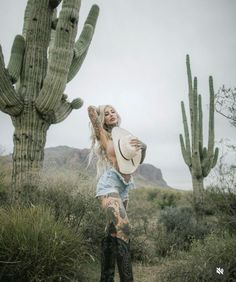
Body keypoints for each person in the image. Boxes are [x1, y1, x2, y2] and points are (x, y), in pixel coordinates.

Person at [88, 104, 147, 282]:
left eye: (113, 111)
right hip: (109, 185)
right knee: (124, 228)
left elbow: (137, 161)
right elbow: (93, 118)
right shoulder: (104, 136)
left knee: (113, 233)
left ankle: (106, 279)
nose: (111, 115)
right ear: (102, 118)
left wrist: (144, 147)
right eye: (107, 114)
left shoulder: (126, 137)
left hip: (124, 187)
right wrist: (95, 114)